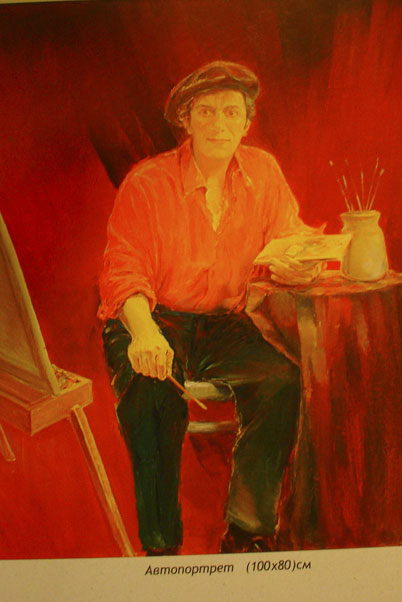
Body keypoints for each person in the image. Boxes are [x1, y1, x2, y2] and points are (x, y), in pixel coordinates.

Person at [98, 61, 321, 555]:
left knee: (280, 381)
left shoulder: (263, 172)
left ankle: (248, 532)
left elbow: (288, 237)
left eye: (230, 112)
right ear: (186, 120)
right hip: (149, 317)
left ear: (247, 122)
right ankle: (160, 548)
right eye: (206, 112)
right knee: (152, 396)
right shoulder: (147, 182)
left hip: (223, 323)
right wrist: (145, 334)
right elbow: (122, 272)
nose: (219, 124)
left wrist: (301, 258)